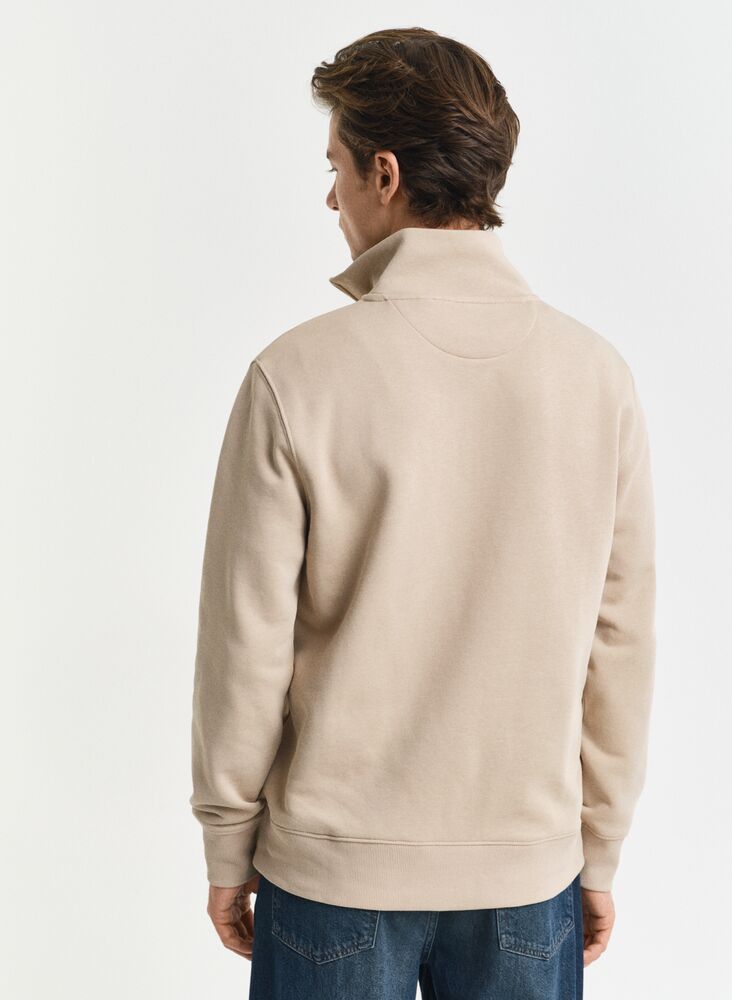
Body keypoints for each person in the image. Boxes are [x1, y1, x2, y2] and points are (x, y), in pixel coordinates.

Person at [189, 27, 656, 1000]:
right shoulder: (595, 379)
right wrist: (597, 846)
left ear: (385, 173)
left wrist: (228, 839)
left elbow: (246, 645)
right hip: (526, 875)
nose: (331, 198)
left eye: (336, 169)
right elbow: (618, 643)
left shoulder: (295, 376)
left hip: (333, 876)